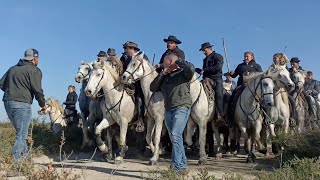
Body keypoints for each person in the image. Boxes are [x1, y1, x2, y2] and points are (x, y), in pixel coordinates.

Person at [150, 53, 194, 174]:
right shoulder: (165, 76)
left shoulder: (183, 74)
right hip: (168, 109)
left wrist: (178, 62)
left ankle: (176, 166)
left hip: (182, 107)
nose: (163, 64)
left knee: (175, 134)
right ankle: (183, 164)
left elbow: (190, 69)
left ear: (170, 62)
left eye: (165, 62)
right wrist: (162, 74)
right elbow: (152, 87)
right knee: (175, 137)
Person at [0, 48, 46, 161]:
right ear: (35, 58)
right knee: (21, 134)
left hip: (8, 103)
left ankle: (25, 158)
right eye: (37, 58)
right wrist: (42, 104)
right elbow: (37, 90)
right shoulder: (34, 70)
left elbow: (1, 84)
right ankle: (17, 164)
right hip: (22, 104)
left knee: (21, 133)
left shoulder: (12, 69)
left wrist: (12, 91)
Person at [227, 52, 263, 127]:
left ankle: (266, 118)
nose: (245, 58)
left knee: (263, 99)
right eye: (245, 56)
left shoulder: (257, 66)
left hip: (253, 87)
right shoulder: (240, 66)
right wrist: (231, 73)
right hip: (241, 86)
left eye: (247, 56)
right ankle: (231, 118)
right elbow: (234, 75)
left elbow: (261, 76)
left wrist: (251, 74)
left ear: (252, 57)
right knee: (232, 98)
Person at [120, 41, 149, 129]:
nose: (125, 50)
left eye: (126, 48)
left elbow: (145, 70)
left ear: (133, 49)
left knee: (139, 98)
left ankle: (140, 120)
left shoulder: (142, 56)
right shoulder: (125, 58)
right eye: (124, 48)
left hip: (139, 83)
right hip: (128, 83)